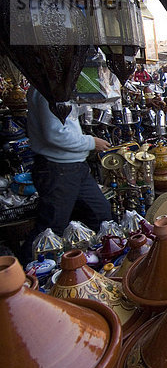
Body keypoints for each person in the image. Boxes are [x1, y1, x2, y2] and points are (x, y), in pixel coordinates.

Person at [22, 88, 112, 262]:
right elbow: (56, 135)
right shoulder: (47, 91)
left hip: (75, 167)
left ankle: (98, 259)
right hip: (58, 169)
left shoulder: (59, 89)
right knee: (51, 227)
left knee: (100, 213)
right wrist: (91, 142)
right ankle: (25, 274)